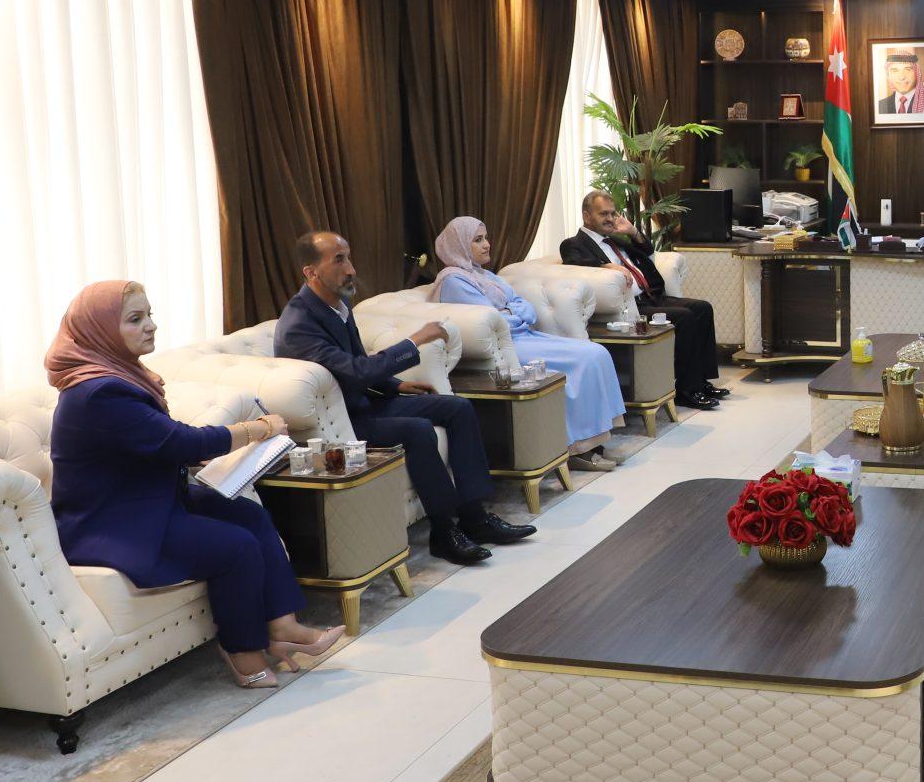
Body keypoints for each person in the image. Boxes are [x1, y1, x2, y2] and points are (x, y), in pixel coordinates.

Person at [46, 281, 341, 690]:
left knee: (248, 514)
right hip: (113, 523)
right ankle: (243, 651)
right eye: (135, 319)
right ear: (100, 330)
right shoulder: (99, 392)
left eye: (149, 315)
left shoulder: (119, 376)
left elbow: (155, 446)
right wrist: (257, 429)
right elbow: (179, 442)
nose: (150, 326)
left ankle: (284, 627)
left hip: (151, 501)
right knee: (235, 547)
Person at [274, 231, 534, 565]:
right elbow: (357, 371)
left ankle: (475, 518)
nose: (351, 269)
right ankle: (444, 532)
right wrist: (415, 341)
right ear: (311, 272)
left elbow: (356, 363)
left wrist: (395, 386)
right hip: (343, 423)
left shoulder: (337, 303)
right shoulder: (299, 324)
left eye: (349, 257)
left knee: (458, 408)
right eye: (339, 260)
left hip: (367, 403)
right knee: (417, 429)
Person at [429, 216, 626, 464]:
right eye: (477, 240)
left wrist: (510, 312)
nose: (487, 244)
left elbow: (526, 309)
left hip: (524, 336)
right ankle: (578, 448)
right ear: (458, 245)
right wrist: (513, 313)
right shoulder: (453, 280)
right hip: (507, 348)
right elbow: (490, 321)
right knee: (586, 358)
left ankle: (595, 441)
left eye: (486, 238)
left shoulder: (483, 274)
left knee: (595, 351)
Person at [562, 191, 727, 410]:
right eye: (603, 214)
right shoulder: (574, 243)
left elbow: (647, 251)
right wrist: (606, 266)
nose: (610, 218)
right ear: (586, 216)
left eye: (612, 213)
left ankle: (701, 381)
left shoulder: (614, 240)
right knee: (685, 317)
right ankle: (687, 390)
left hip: (652, 296)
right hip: (631, 307)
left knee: (702, 308)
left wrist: (632, 232)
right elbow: (574, 263)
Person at [876, 49, 924, 115]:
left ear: (917, 73)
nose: (901, 77)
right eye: (895, 71)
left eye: (908, 70)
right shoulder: (879, 106)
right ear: (888, 75)